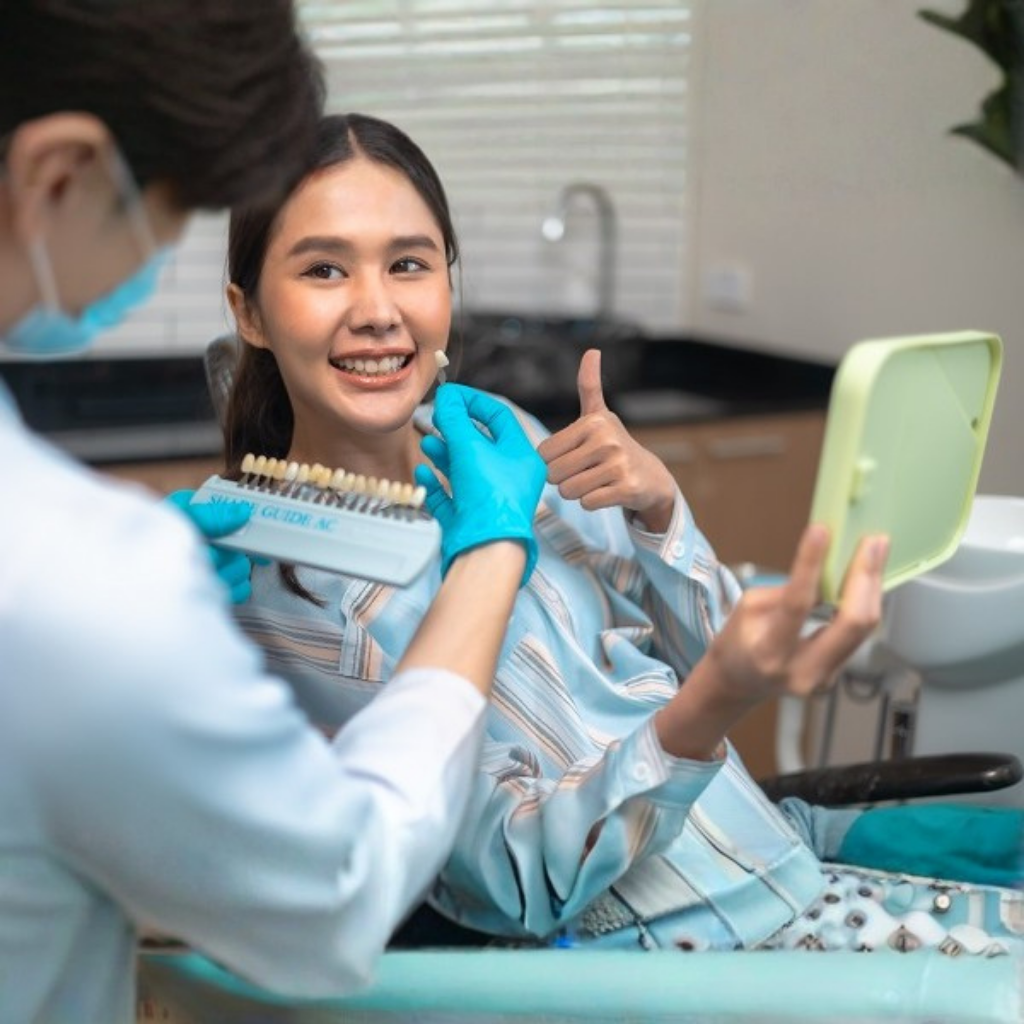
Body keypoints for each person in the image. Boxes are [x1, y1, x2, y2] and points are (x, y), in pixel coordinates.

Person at [218, 110, 1024, 960]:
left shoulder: (510, 446)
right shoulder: (289, 602)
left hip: (790, 877)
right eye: (324, 270)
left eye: (409, 264)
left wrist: (659, 515)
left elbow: (727, 654)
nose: (379, 310)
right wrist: (714, 697)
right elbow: (519, 880)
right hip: (684, 966)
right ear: (252, 312)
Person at [0, 6, 548, 1023]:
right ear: (59, 178)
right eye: (165, 212)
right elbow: (330, 896)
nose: (376, 308)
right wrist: (489, 556)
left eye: (409, 262)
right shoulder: (73, 578)